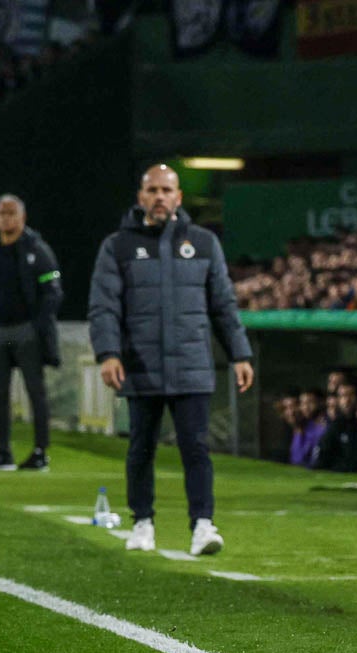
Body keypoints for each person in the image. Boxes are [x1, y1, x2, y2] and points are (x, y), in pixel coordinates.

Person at [88, 164, 254, 557]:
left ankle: (202, 525)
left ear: (179, 198)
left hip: (191, 363)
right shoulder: (117, 246)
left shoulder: (204, 243)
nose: (159, 196)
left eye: (167, 190)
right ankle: (142, 522)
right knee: (141, 448)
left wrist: (240, 353)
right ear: (140, 197)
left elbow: (223, 304)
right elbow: (103, 306)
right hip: (140, 363)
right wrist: (108, 353)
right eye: (152, 190)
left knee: (196, 448)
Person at [0, 194, 63, 471]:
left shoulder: (37, 249)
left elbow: (53, 291)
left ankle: (40, 450)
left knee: (36, 392)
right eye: (1, 214)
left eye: (11, 213)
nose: (5, 218)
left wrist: (37, 327)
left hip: (26, 331)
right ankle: (2, 450)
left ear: (23, 217)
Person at [314, 378, 357, 473]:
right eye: (342, 396)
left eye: (350, 395)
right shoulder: (336, 425)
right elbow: (323, 455)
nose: (347, 400)